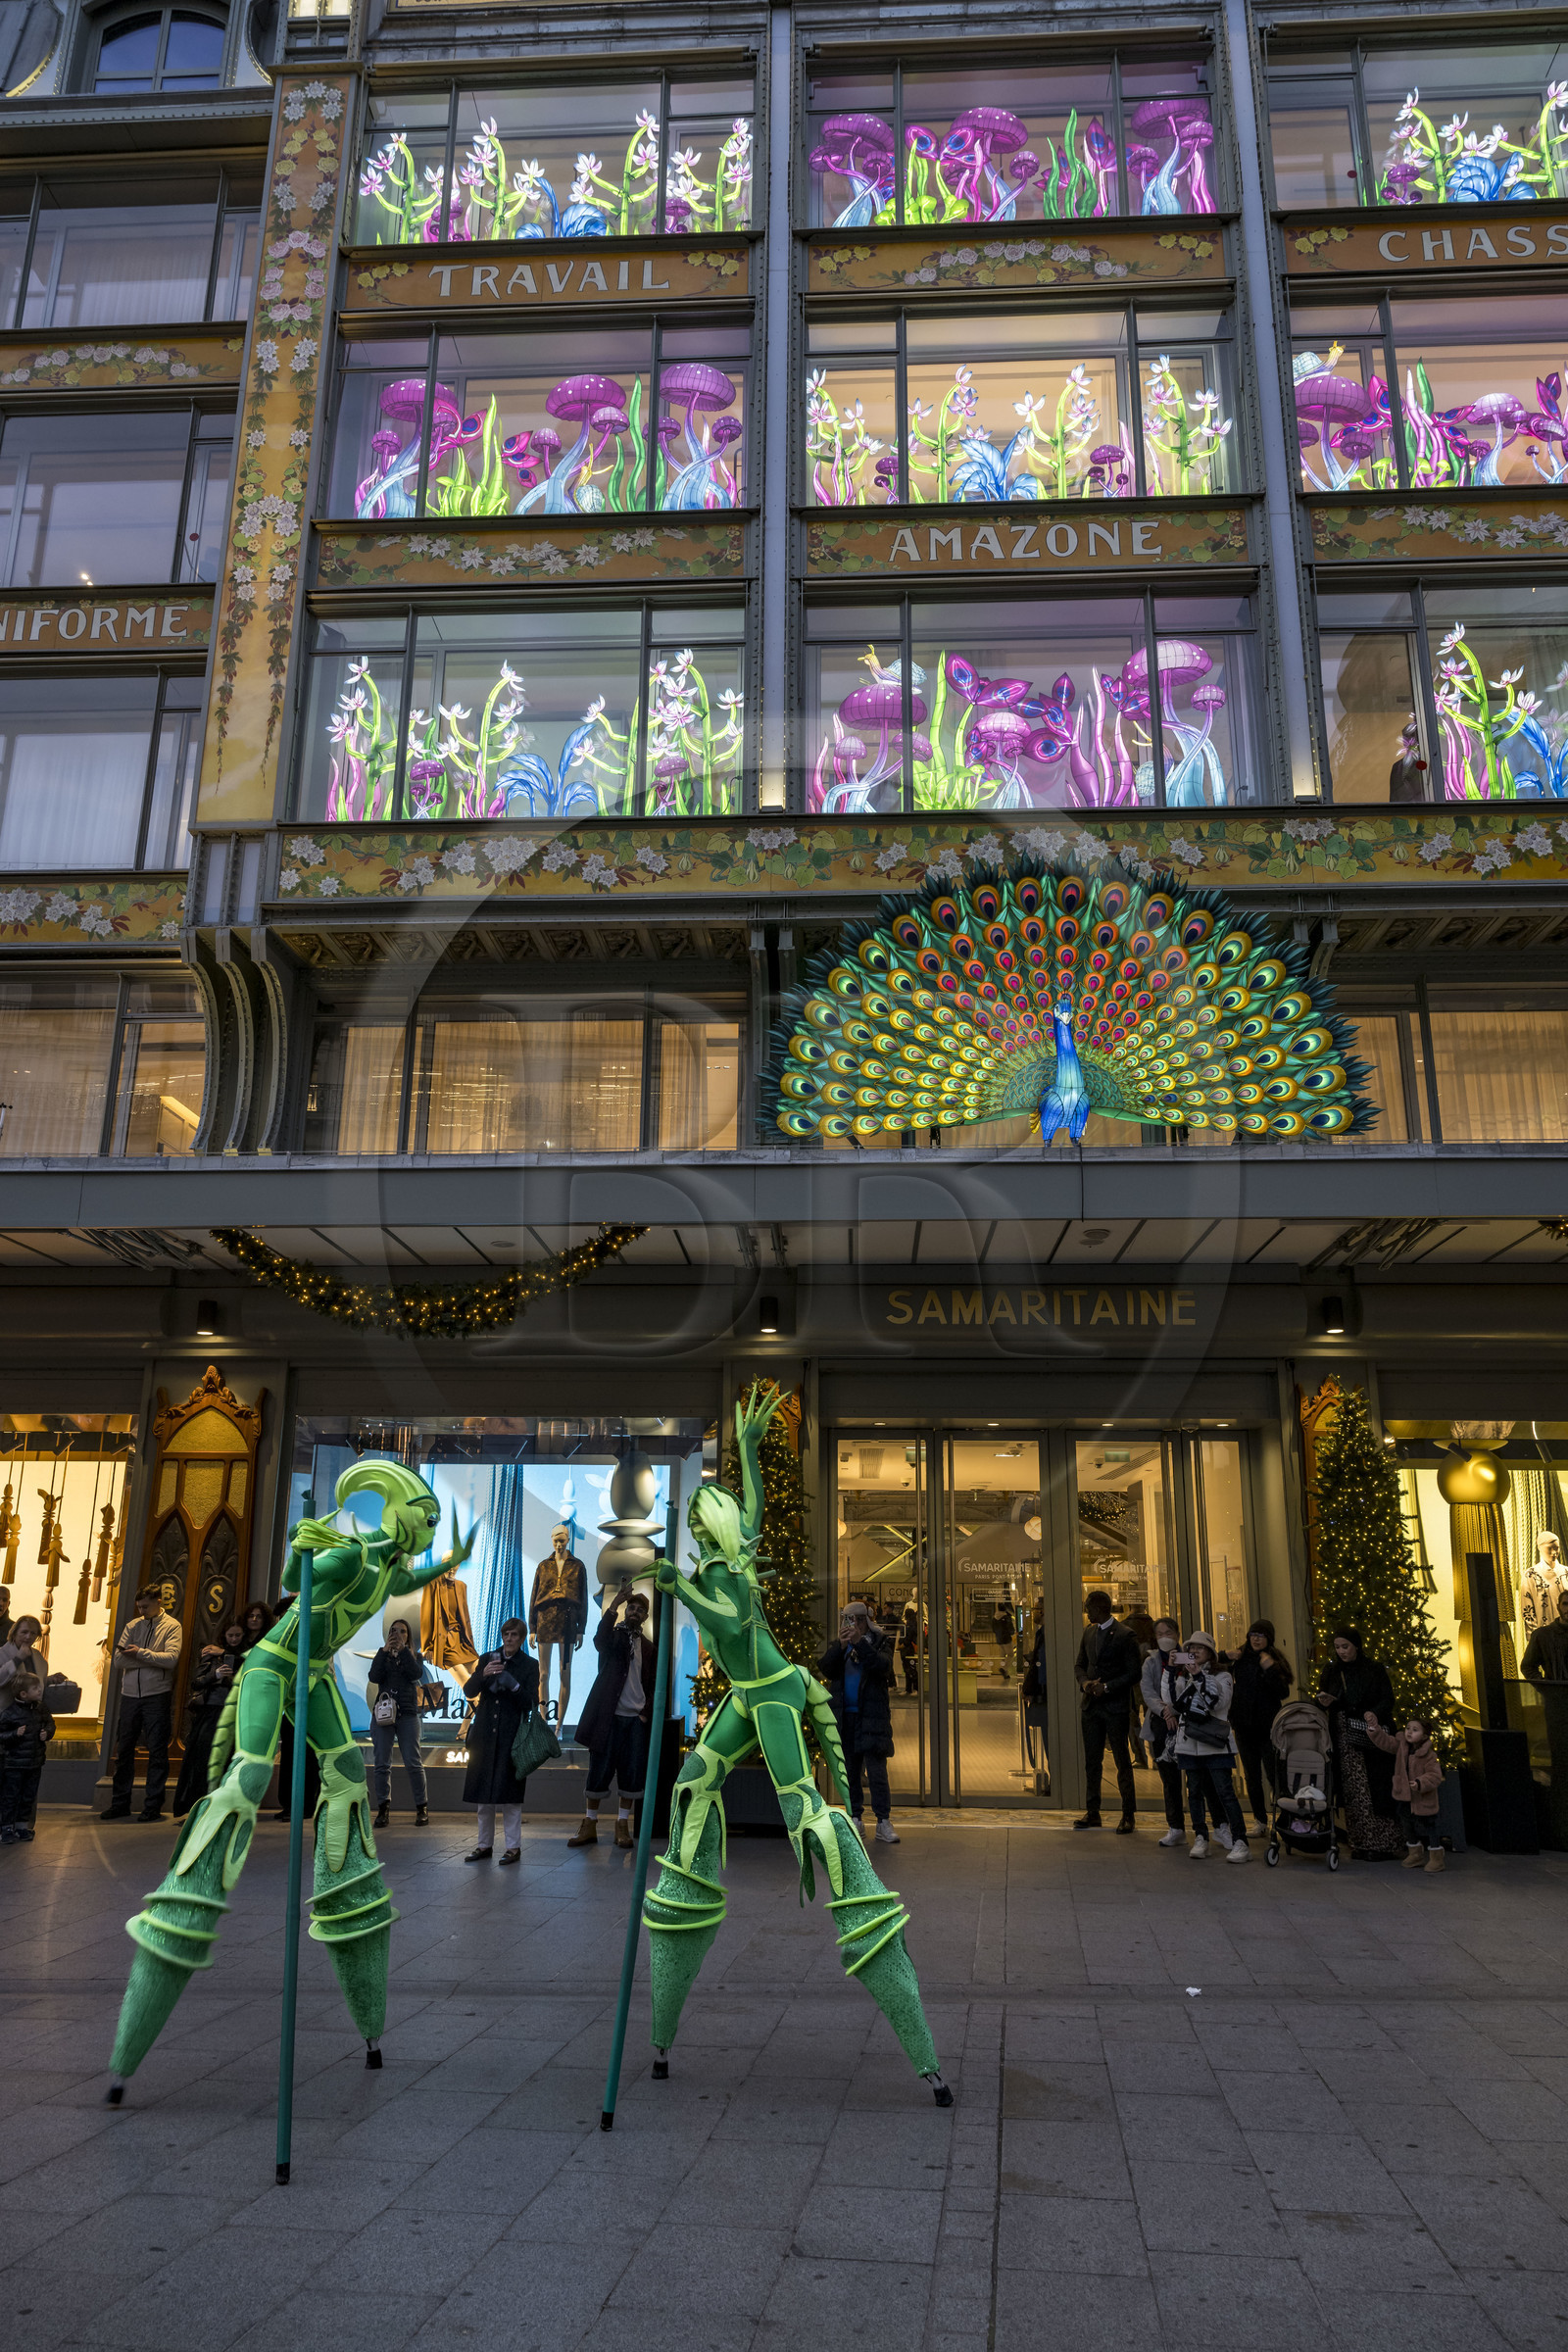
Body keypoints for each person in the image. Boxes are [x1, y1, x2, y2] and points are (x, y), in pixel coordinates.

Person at [570, 1589, 659, 1849]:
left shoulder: (649, 1648)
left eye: (640, 1610)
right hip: (608, 1717)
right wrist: (615, 1604)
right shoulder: (614, 1637)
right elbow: (599, 1640)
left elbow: (653, 1684)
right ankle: (589, 1823)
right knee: (599, 1770)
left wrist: (645, 1714)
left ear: (645, 1616)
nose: (635, 1612)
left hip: (634, 1721)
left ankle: (622, 1825)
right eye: (631, 1608)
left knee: (631, 1774)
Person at [1316, 1627, 1403, 1859]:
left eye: (1345, 1646)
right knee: (1354, 1790)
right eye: (1337, 1647)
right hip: (1345, 1737)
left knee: (1376, 1787)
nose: (1341, 1652)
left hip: (1372, 1735)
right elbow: (1325, 1696)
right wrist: (1326, 1701)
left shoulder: (1373, 1670)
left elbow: (1387, 1698)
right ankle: (1360, 1842)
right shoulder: (1333, 1671)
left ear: (1356, 1646)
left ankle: (1382, 1844)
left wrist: (1373, 1713)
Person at [1162, 1631, 1250, 1862]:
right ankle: (1201, 1836)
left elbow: (1216, 1703)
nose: (1193, 1652)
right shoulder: (1183, 1675)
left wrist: (1199, 1676)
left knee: (1225, 1792)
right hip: (1189, 1742)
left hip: (1215, 1743)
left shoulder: (1222, 1676)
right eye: (1190, 1649)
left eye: (1199, 1649)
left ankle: (1240, 1840)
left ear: (1210, 1653)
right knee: (1194, 1792)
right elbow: (1172, 1703)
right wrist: (1170, 1671)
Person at [818, 1601, 900, 1845]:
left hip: (872, 1717)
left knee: (877, 1772)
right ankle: (855, 1818)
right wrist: (841, 1646)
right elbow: (826, 1669)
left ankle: (883, 1821)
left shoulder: (880, 1641)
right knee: (851, 1772)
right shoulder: (841, 1644)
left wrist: (859, 1645)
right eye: (845, 1619)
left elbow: (883, 1667)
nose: (849, 1624)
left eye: (853, 1619)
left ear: (864, 1621)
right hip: (846, 1717)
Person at [102, 1585, 182, 1822]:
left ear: (159, 1602)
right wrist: (148, 1658)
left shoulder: (172, 1626)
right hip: (130, 1696)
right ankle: (120, 1804)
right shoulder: (132, 1626)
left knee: (157, 1750)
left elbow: (171, 1659)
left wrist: (139, 1654)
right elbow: (117, 1660)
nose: (141, 1611)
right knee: (124, 1750)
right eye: (139, 1607)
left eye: (145, 1606)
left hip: (157, 1695)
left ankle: (152, 1807)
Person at [462, 1617, 539, 1864]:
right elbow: (469, 1691)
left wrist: (514, 1686)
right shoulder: (487, 1658)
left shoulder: (529, 1665)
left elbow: (529, 1703)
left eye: (514, 1635)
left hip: (511, 1736)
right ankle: (484, 1845)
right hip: (484, 1734)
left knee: (511, 1796)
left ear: (521, 1638)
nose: (509, 1639)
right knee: (484, 1795)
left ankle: (513, 1848)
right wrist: (483, 1675)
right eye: (506, 1634)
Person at [1072, 1591, 1141, 1832]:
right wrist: (1085, 1683)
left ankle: (1128, 1814)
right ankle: (1093, 1812)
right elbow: (1080, 1664)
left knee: (1122, 1761)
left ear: (1098, 1609)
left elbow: (1134, 1673)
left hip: (1115, 1707)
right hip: (1091, 1707)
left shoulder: (1125, 1635)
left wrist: (1107, 1687)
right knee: (1092, 1761)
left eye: (1088, 1608)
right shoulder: (1089, 1632)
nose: (1086, 1613)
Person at [172, 1621, 246, 1819]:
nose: (234, 1639)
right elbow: (197, 1682)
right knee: (202, 1759)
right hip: (210, 1712)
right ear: (224, 1635)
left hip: (232, 1712)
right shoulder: (211, 1656)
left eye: (238, 1635)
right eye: (231, 1635)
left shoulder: (244, 1657)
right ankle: (199, 1804)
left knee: (227, 1760)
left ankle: (223, 1806)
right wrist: (216, 1674)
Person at [1229, 1620, 1294, 1834]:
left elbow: (1283, 1692)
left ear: (1269, 1639)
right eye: (1252, 1634)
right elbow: (1214, 1663)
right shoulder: (1240, 1657)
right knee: (1251, 1775)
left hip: (1268, 1728)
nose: (1256, 1639)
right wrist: (1227, 1655)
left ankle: (1284, 1819)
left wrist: (1271, 1669)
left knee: (1275, 1774)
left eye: (1261, 1635)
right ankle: (1260, 1820)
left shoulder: (1273, 1660)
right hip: (1244, 1726)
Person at [366, 1617, 429, 1829]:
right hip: (383, 1715)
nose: (398, 1634)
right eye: (394, 1631)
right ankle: (383, 1809)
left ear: (408, 1636)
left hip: (408, 1714)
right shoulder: (382, 1654)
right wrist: (384, 1652)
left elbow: (415, 1674)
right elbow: (374, 1676)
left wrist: (403, 1651)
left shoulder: (414, 1656)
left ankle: (422, 1808)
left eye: (402, 1631)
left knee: (413, 1762)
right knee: (382, 1763)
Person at [1363, 1710, 1446, 1872]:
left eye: (1415, 1730)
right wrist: (1374, 1729)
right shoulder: (1401, 1746)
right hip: (1405, 1796)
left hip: (1422, 1798)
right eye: (1408, 1728)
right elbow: (1386, 1742)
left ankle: (1436, 1857)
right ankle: (1415, 1853)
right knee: (1406, 1823)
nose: (1409, 1732)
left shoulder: (1429, 1755)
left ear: (1424, 1736)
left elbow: (1435, 1776)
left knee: (1429, 1825)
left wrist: (1420, 1783)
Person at [1141, 1618, 1195, 1848]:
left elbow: (1195, 1685)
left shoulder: (1188, 1658)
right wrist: (1165, 1711)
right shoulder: (1151, 1662)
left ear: (1177, 1634)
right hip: (1162, 1724)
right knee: (1169, 1779)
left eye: (1169, 1632)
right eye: (1160, 1633)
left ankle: (1209, 1828)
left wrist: (1174, 1710)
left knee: (1196, 1778)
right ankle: (1176, 1827)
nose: (1164, 1637)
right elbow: (1148, 1691)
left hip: (1189, 1723)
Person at [529, 1524, 588, 1729]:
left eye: (562, 1539)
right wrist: (532, 1627)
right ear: (551, 1539)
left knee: (565, 1673)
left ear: (568, 1539)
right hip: (545, 1621)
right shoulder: (543, 1566)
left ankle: (559, 1724)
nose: (558, 1543)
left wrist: (581, 1629)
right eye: (555, 1539)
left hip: (568, 1624)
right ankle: (543, 1720)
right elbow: (534, 1595)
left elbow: (582, 1597)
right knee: (543, 1674)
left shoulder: (577, 1566)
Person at [0, 1669, 53, 1841]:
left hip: (35, 1762)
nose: (40, 1690)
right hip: (14, 1764)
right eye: (35, 1688)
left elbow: (50, 1723)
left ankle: (22, 1827)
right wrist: (14, 1734)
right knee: (11, 1796)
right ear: (23, 1694)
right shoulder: (10, 1713)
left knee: (28, 1795)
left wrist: (48, 1733)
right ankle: (6, 1828)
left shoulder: (41, 1709)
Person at [0, 1613, 44, 1699]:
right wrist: (17, 1660)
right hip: (4, 1710)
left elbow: (34, 1683)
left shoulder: (38, 1656)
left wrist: (52, 1680)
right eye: (24, 1632)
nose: (28, 1637)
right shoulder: (1, 1653)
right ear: (14, 1633)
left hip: (30, 1710)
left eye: (33, 1633)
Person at [899, 1602, 921, 1696]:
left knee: (911, 1669)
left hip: (908, 1649)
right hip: (906, 1649)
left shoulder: (911, 1626)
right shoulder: (910, 1624)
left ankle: (915, 1688)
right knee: (908, 1669)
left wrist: (900, 1646)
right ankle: (909, 1689)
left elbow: (908, 1638)